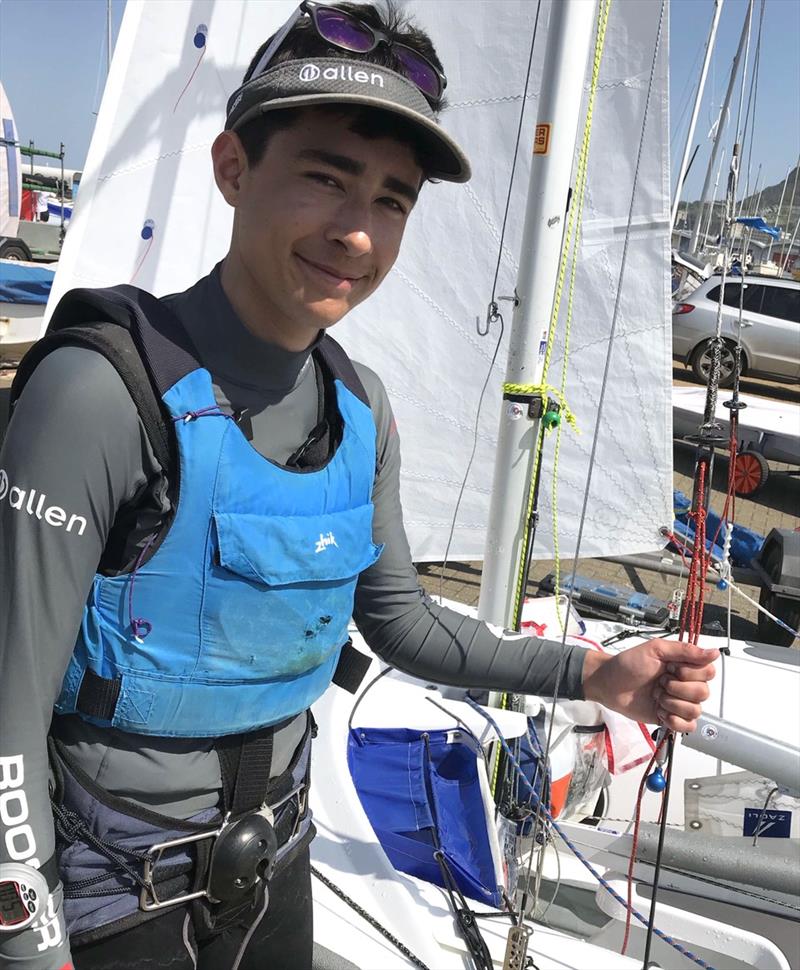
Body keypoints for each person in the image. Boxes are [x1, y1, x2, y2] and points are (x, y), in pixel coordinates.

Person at [0, 3, 717, 968]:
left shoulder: (359, 408)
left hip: (271, 862)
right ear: (232, 169)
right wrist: (27, 944)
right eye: (325, 179)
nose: (357, 234)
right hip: (113, 892)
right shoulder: (100, 393)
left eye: (391, 200)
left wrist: (594, 676)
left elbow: (402, 623)